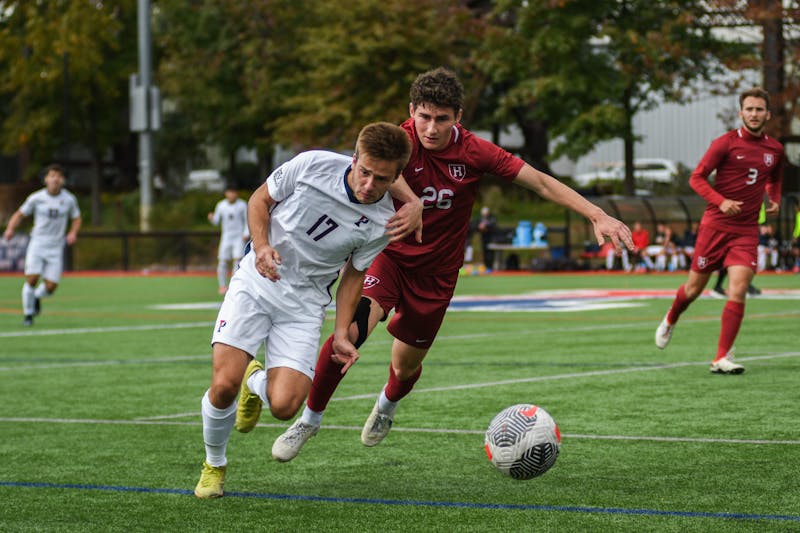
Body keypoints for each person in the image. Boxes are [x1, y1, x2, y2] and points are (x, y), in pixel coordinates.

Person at [266, 67, 633, 462]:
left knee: (405, 367)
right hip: (387, 258)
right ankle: (310, 419)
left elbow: (540, 183)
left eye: (442, 119)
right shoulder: (398, 139)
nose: (431, 128)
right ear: (412, 112)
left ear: (458, 117)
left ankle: (387, 405)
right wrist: (413, 201)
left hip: (437, 275)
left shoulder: (476, 151)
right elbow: (362, 167)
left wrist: (596, 214)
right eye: (424, 117)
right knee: (351, 333)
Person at [193, 122, 416, 498]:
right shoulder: (312, 165)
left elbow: (353, 276)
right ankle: (214, 465)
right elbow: (259, 200)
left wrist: (343, 332)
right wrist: (262, 246)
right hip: (257, 281)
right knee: (222, 386)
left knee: (284, 406)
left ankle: (255, 380)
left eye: (381, 179)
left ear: (396, 177)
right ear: (355, 158)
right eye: (364, 172)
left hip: (305, 305)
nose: (368, 185)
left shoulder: (383, 221)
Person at [655, 87, 784, 374]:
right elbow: (696, 178)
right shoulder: (724, 144)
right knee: (692, 290)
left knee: (737, 291)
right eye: (749, 109)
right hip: (715, 227)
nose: (754, 114)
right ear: (741, 113)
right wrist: (721, 201)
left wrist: (773, 198)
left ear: (768, 114)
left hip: (747, 231)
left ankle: (721, 357)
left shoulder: (775, 149)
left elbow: (775, 177)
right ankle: (672, 317)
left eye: (759, 109)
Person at [2, 164, 82, 327]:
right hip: (38, 243)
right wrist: (10, 228)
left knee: (51, 287)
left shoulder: (69, 199)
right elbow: (19, 214)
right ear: (46, 179)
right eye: (52, 176)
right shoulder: (36, 198)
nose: (55, 179)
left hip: (56, 246)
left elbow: (77, 217)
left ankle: (37, 296)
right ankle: (28, 315)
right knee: (32, 278)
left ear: (63, 180)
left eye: (58, 176)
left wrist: (73, 232)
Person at [208, 185, 249, 295]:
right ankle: (222, 286)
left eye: (234, 192)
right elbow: (216, 221)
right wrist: (212, 218)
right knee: (222, 261)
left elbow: (247, 220)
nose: (232, 195)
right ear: (226, 193)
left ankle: (234, 285)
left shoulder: (242, 205)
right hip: (226, 237)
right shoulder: (221, 205)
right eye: (230, 192)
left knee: (237, 260)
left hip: (238, 237)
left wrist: (246, 233)